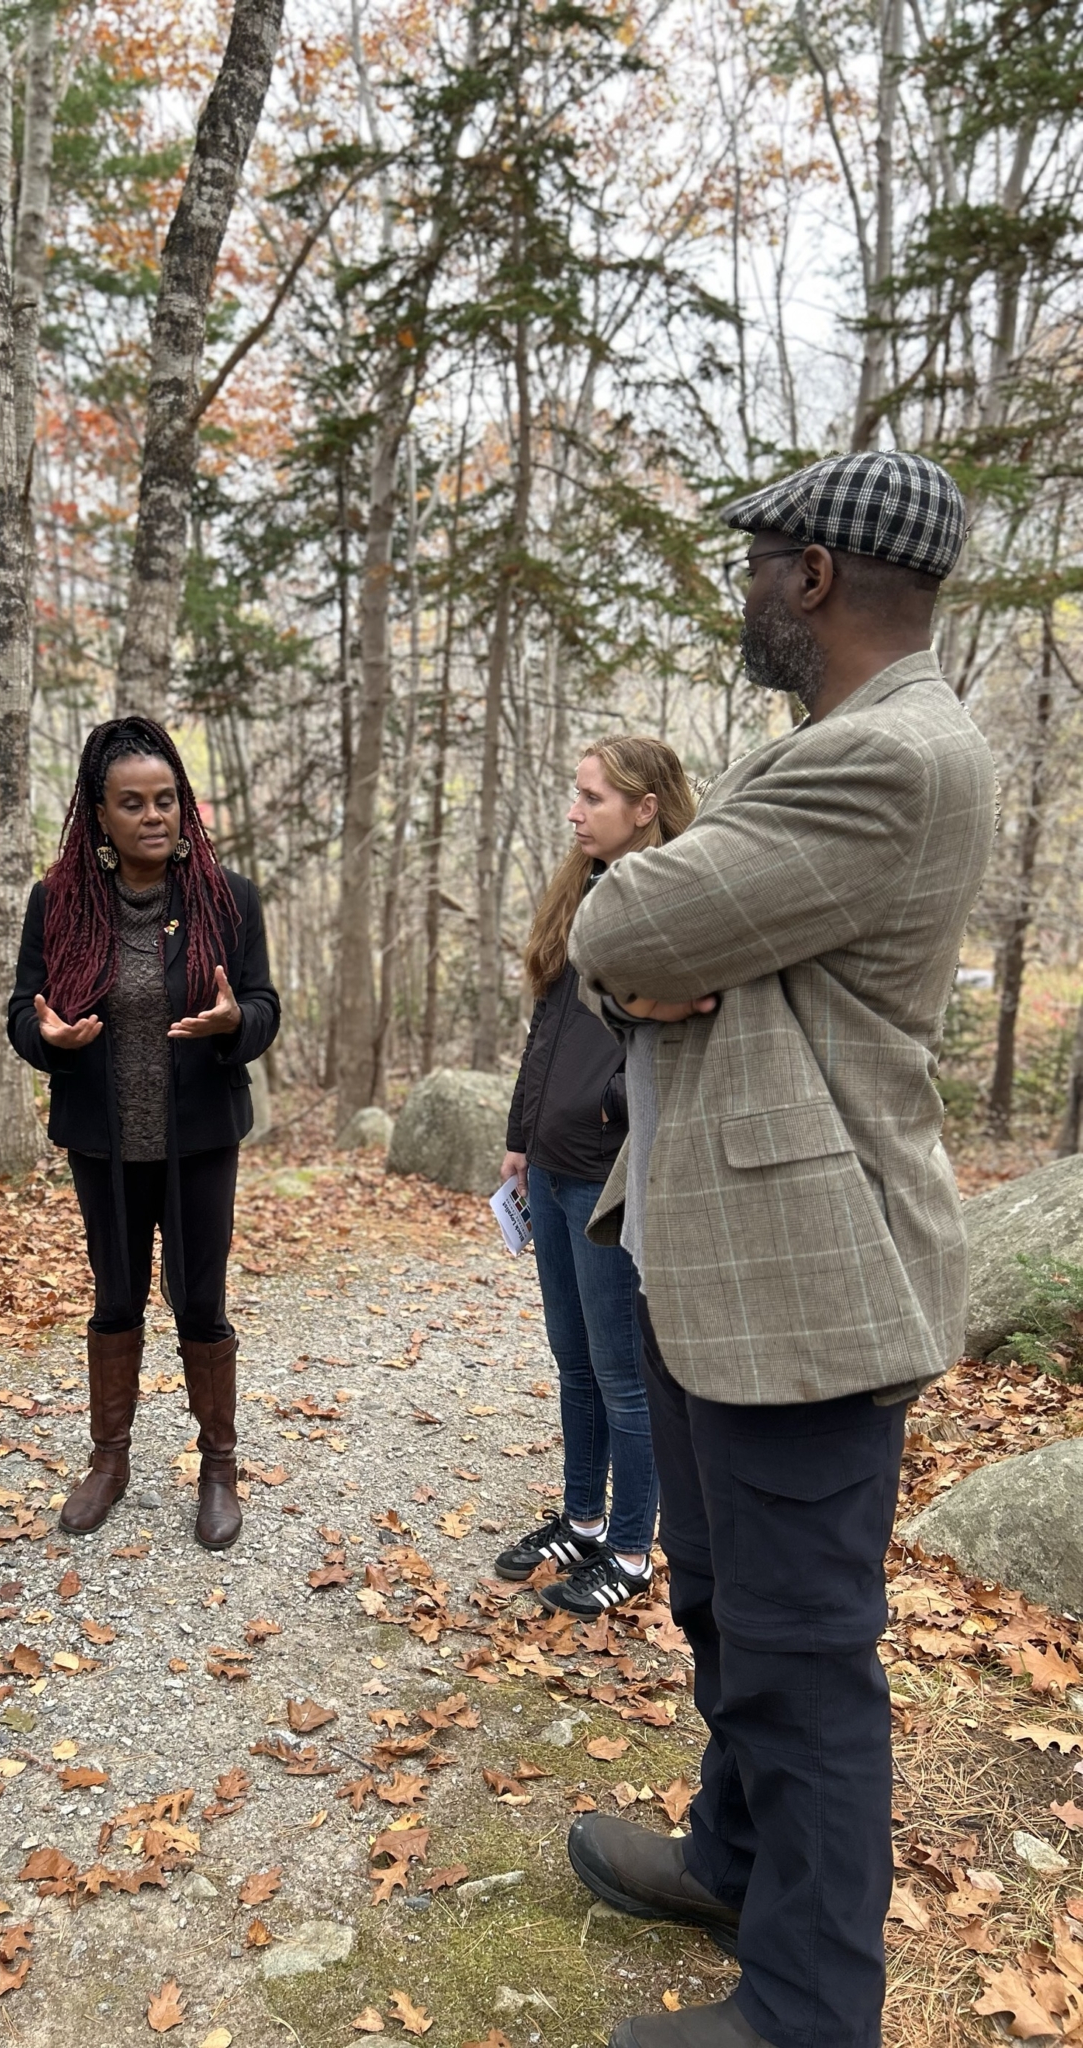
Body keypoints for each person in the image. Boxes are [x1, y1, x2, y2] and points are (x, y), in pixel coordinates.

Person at [561, 451, 995, 2048]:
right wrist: (659, 971)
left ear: (811, 575)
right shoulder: (843, 745)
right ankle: (735, 1859)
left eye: (759, 562)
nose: (747, 589)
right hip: (728, 1248)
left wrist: (654, 959)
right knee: (727, 1607)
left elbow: (616, 925)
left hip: (811, 1266)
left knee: (804, 1654)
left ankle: (812, 2008)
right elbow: (642, 962)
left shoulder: (884, 756)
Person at [7, 717, 279, 1551]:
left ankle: (219, 1466)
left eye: (167, 799)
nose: (153, 815)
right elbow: (25, 1009)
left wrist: (236, 1022)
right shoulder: (58, 902)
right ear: (99, 814)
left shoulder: (229, 898)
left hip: (199, 1141)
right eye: (133, 803)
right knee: (116, 1297)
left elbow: (264, 1009)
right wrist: (45, 1039)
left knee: (202, 1302)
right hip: (105, 1143)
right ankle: (110, 1461)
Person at [495, 736, 695, 1615]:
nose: (574, 812)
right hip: (552, 1162)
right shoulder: (578, 888)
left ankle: (629, 1549)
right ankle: (581, 1522)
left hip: (614, 1176)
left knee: (622, 1374)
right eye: (575, 796)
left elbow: (670, 1034)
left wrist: (609, 1110)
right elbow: (548, 1028)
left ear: (645, 806)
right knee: (573, 1362)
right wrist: (520, 1137)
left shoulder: (674, 893)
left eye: (592, 798)